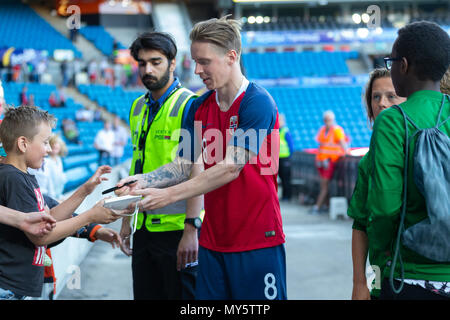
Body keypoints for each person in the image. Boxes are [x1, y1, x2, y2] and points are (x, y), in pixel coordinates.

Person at [116, 16, 287, 300]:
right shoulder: (199, 106)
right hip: (212, 242)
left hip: (257, 240)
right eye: (195, 61)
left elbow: (230, 168)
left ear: (231, 57)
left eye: (204, 62)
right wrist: (141, 180)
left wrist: (168, 196)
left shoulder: (257, 101)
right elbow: (184, 164)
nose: (197, 70)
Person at [0, 105, 123, 300]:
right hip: (10, 290)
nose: (49, 149)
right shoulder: (12, 178)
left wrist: (84, 190)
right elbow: (40, 236)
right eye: (45, 142)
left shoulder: (23, 176)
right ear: (23, 144)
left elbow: (50, 219)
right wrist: (89, 216)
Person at [366, 21, 450, 300]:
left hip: (409, 274)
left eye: (390, 62)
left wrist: (380, 254)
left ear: (403, 65)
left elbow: (385, 208)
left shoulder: (392, 121)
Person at [118, 31, 201, 300]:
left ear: (173, 63)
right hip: (143, 226)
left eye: (156, 62)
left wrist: (192, 228)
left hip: (177, 230)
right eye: (142, 63)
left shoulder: (190, 105)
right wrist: (127, 220)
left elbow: (194, 168)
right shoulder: (137, 107)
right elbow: (137, 165)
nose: (148, 70)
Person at [348, 68, 406, 300]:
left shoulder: (428, 148)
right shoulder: (368, 161)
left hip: (417, 273)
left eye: (391, 96)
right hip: (381, 269)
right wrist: (359, 283)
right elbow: (360, 224)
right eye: (376, 97)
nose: (382, 103)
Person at [310, 110, 348, 214]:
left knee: (324, 186)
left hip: (330, 161)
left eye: (329, 120)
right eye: (326, 120)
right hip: (321, 162)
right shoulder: (322, 130)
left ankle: (317, 207)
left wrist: (346, 154)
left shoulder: (337, 130)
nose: (327, 122)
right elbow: (321, 145)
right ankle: (326, 206)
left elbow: (344, 145)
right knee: (324, 185)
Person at [278, 114, 294, 201]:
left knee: (286, 178)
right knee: (281, 178)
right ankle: (284, 196)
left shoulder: (285, 131)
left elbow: (291, 146)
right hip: (278, 158)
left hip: (285, 158)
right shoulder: (277, 131)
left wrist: (289, 157)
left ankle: (287, 196)